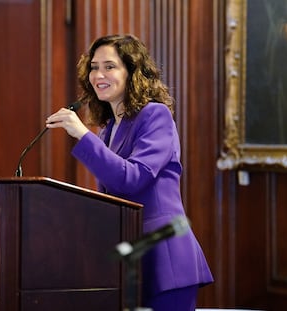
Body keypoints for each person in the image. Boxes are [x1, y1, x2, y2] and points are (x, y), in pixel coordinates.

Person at [46, 34, 213, 311]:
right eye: (94, 67)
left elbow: (133, 178)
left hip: (165, 258)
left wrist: (80, 134)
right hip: (131, 260)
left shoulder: (155, 115)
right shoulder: (108, 129)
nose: (98, 74)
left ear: (132, 72)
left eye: (109, 66)